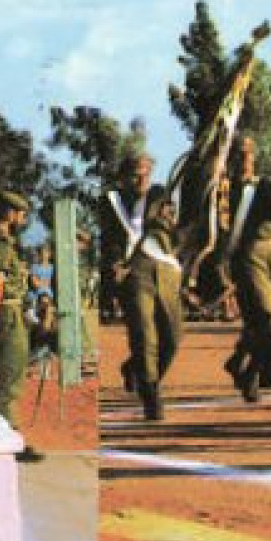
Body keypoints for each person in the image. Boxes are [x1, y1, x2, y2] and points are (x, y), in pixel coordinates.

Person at [220, 135, 271, 410]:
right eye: (240, 153)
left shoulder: (267, 186)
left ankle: (247, 368)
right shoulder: (223, 191)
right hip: (248, 255)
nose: (245, 158)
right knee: (267, 316)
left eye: (250, 153)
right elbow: (217, 228)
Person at [100, 153, 183, 421]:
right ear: (125, 177)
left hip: (165, 269)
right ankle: (151, 393)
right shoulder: (113, 202)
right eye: (136, 173)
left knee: (171, 337)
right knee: (145, 335)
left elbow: (176, 227)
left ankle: (136, 368)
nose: (142, 178)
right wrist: (113, 264)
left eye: (146, 173)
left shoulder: (161, 196)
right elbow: (110, 240)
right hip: (135, 272)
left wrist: (165, 219)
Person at [0, 192, 44, 461]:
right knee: (9, 378)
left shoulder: (8, 244)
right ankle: (7, 440)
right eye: (20, 213)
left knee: (13, 374)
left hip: (13, 311)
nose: (23, 219)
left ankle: (5, 436)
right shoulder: (0, 245)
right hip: (7, 313)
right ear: (8, 213)